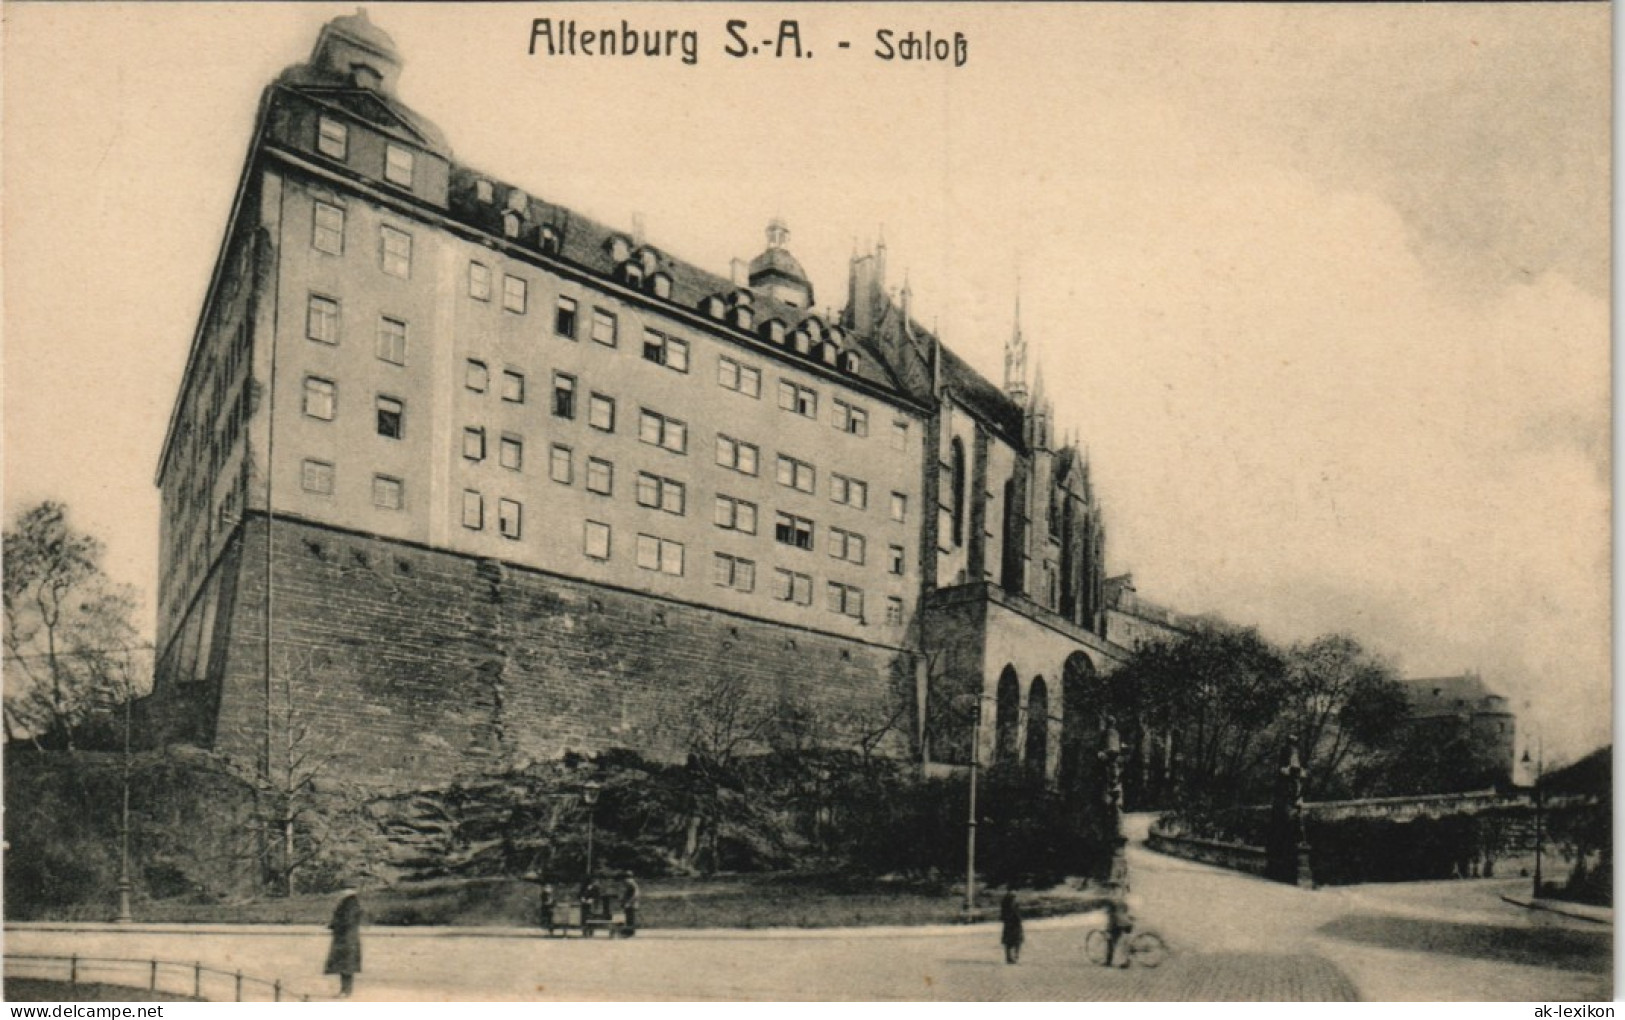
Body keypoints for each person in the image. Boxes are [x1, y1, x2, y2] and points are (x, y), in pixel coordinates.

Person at [325, 883, 363, 998]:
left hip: (346, 938)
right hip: (347, 938)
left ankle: (346, 991)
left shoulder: (350, 903)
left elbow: (347, 920)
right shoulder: (350, 902)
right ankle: (345, 990)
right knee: (345, 966)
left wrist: (334, 925)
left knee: (346, 966)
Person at [1104, 891, 1134, 969]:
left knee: (1111, 941)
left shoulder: (1111, 903)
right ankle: (1127, 960)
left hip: (1118, 924)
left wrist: (1108, 929)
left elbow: (1112, 919)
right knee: (1126, 942)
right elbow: (1126, 911)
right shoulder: (1122, 901)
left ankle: (1109, 961)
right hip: (1127, 923)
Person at [1000, 889, 1024, 964]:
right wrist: (1019, 920)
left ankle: (1009, 957)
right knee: (1017, 941)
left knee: (1009, 941)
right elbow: (1016, 914)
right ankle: (1014, 957)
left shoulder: (1005, 902)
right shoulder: (1012, 902)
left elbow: (1003, 915)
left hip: (1008, 924)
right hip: (1014, 924)